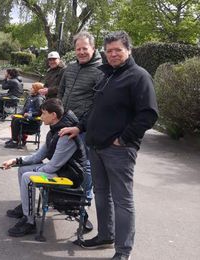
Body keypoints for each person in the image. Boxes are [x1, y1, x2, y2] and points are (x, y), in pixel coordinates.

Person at [59, 31, 158, 260]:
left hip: (119, 150)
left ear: (128, 50)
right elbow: (96, 109)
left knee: (123, 201)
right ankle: (105, 235)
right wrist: (80, 128)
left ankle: (123, 251)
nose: (113, 54)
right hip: (95, 146)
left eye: (118, 50)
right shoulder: (106, 75)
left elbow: (148, 114)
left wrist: (123, 139)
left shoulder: (138, 76)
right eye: (110, 50)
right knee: (102, 194)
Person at [2, 99, 88, 237]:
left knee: (27, 177)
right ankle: (26, 208)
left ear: (53, 115)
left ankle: (29, 223)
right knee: (22, 169)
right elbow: (38, 156)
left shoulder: (64, 135)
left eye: (43, 114)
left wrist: (33, 172)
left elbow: (53, 166)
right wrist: (15, 161)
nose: (41, 117)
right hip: (61, 170)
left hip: (70, 175)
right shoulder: (54, 131)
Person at [57, 31, 104, 203]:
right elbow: (62, 90)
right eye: (78, 49)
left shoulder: (100, 71)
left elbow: (98, 102)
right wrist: (60, 112)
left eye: (85, 48)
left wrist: (82, 123)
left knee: (86, 163)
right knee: (64, 158)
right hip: (65, 122)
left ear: (93, 48)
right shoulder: (70, 67)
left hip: (85, 126)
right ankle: (66, 193)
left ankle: (84, 196)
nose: (81, 52)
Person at [4, 82, 45, 148]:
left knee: (17, 121)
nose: (30, 89)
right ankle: (14, 139)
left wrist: (29, 114)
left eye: (32, 88)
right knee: (15, 118)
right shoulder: (30, 97)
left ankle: (15, 141)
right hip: (27, 118)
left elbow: (40, 112)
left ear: (36, 90)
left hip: (33, 121)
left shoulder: (39, 99)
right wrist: (17, 114)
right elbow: (24, 110)